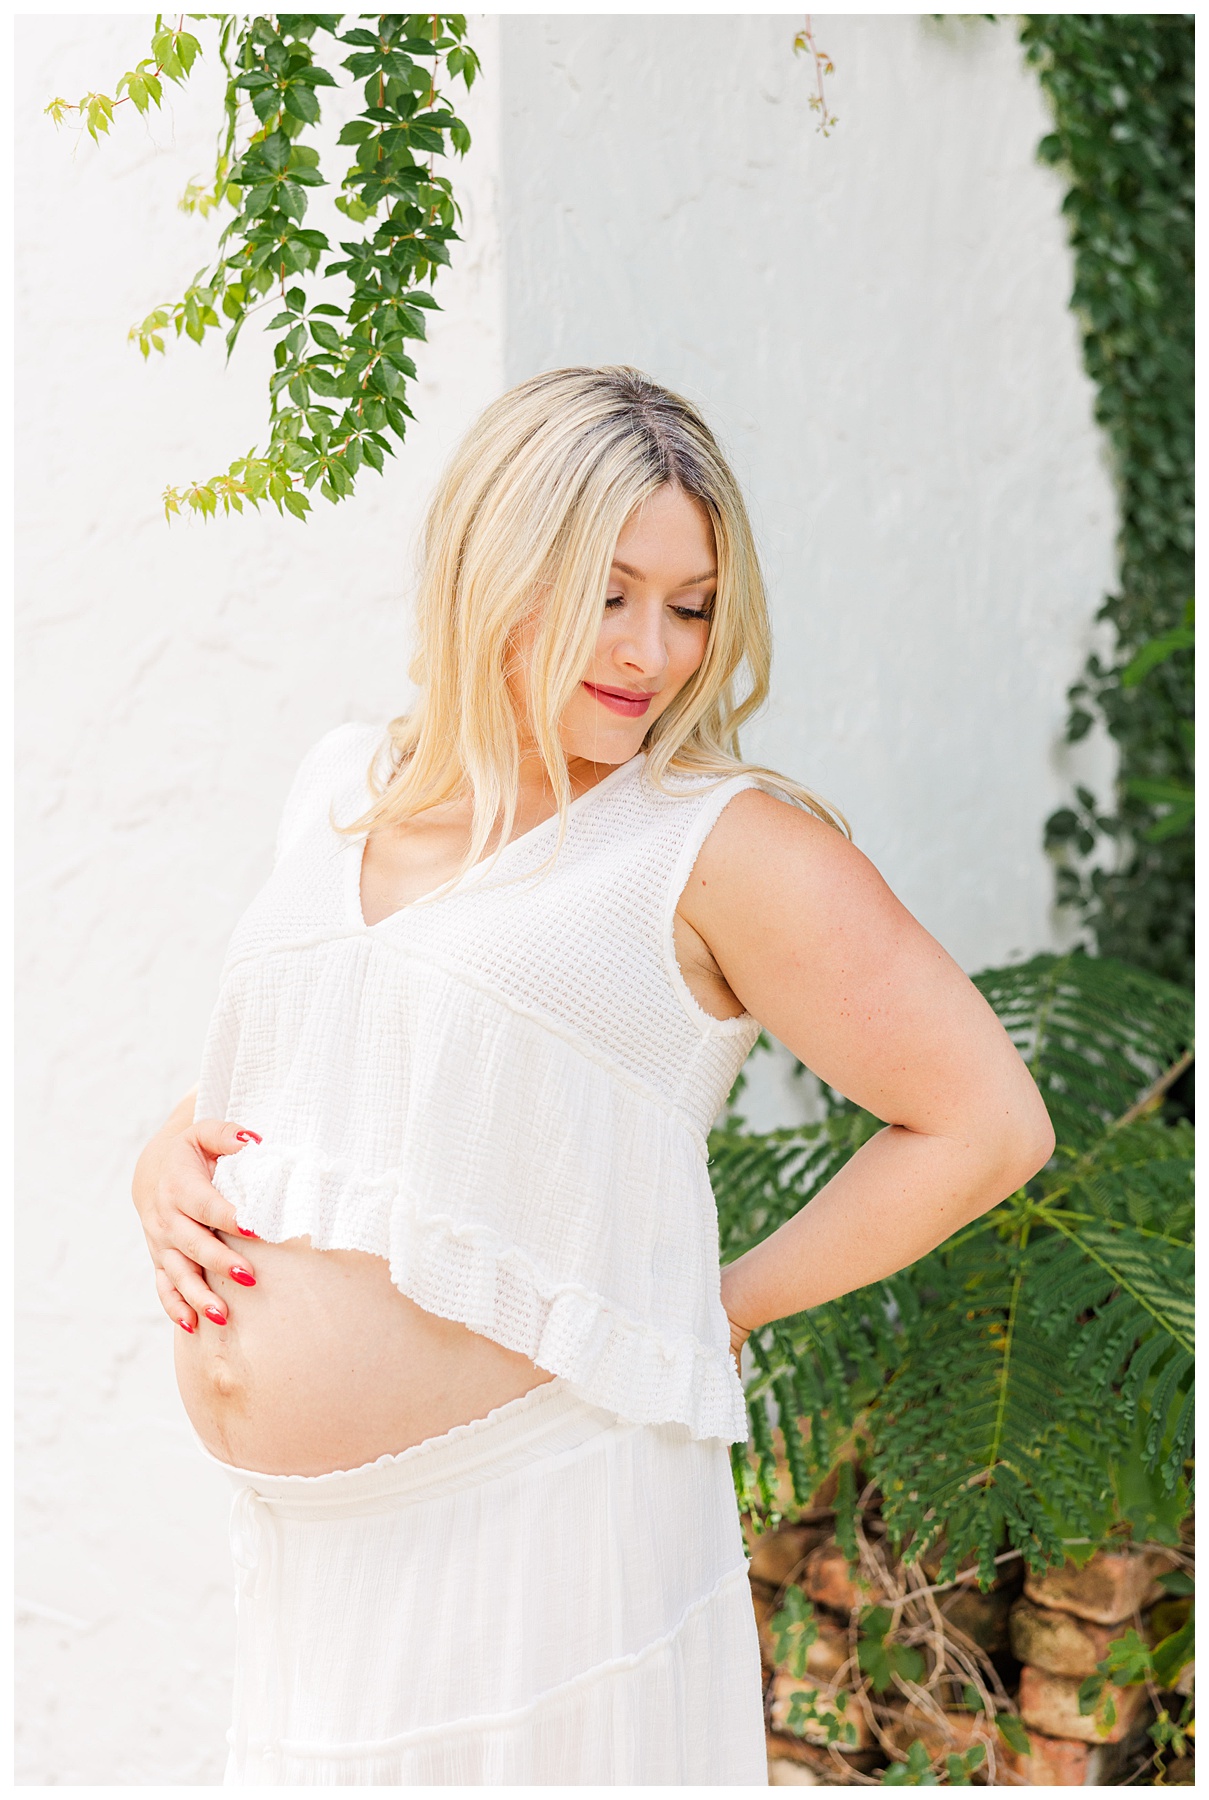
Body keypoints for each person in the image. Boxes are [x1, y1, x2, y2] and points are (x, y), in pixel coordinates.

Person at [131, 365, 1055, 1786]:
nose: (653, 651)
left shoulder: (712, 847)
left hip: (541, 1541)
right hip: (316, 1572)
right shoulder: (336, 784)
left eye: (689, 606)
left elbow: (983, 1123)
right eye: (607, 594)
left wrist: (720, 1303)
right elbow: (340, 1067)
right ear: (493, 568)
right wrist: (164, 1156)